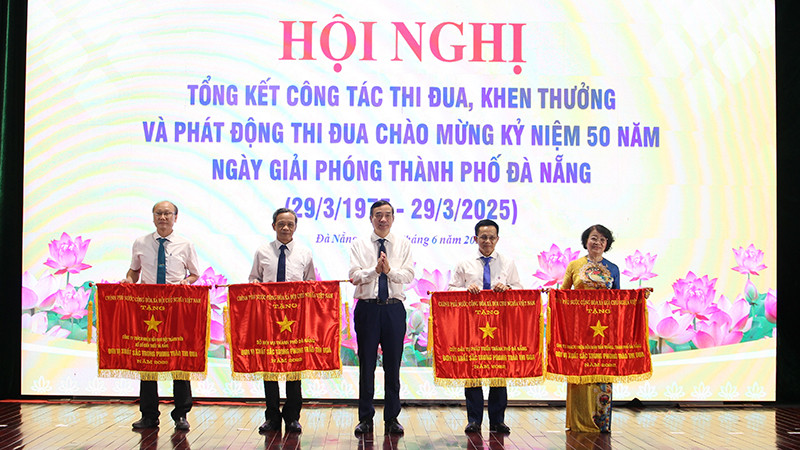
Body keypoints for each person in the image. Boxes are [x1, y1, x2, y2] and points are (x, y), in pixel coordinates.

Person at [124, 200, 200, 431]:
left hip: (176, 309)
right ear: (153, 216)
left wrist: (186, 282)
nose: (163, 217)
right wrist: (128, 281)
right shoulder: (141, 242)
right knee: (148, 361)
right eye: (159, 213)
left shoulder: (185, 244)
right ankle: (149, 415)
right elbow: (134, 271)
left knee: (179, 359)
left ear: (175, 218)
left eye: (168, 213)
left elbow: (194, 274)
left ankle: (181, 414)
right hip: (148, 309)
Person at [447, 219, 522, 434]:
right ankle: (474, 420)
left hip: (499, 325)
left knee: (499, 371)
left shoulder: (507, 262)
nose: (487, 241)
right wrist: (466, 290)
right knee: (473, 372)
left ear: (497, 239)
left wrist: (507, 288)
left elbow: (519, 288)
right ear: (475, 239)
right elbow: (451, 290)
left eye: (491, 237)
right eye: (483, 237)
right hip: (472, 324)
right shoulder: (465, 263)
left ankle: (498, 420)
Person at [349, 200, 415, 435]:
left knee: (392, 366)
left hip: (393, 309)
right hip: (367, 309)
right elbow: (354, 276)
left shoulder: (403, 244)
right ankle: (365, 418)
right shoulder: (358, 245)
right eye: (378, 215)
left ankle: (392, 418)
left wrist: (389, 271)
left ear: (393, 218)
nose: (383, 219)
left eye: (387, 215)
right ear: (371, 218)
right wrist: (374, 271)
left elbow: (408, 275)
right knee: (366, 365)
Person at [248, 208, 316, 434]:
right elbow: (254, 278)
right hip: (268, 318)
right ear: (273, 226)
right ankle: (272, 417)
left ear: (295, 227)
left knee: (294, 367)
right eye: (281, 224)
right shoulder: (262, 251)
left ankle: (293, 416)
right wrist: (256, 285)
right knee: (269, 368)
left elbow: (311, 283)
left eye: (290, 224)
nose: (285, 228)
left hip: (295, 320)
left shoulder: (305, 253)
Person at [561, 224, 620, 433]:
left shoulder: (613, 268)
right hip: (579, 329)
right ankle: (578, 422)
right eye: (594, 238)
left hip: (605, 330)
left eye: (603, 239)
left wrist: (640, 297)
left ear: (607, 244)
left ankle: (601, 422)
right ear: (586, 240)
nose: (598, 242)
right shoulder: (574, 265)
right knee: (579, 372)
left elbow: (619, 300)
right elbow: (563, 295)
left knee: (602, 373)